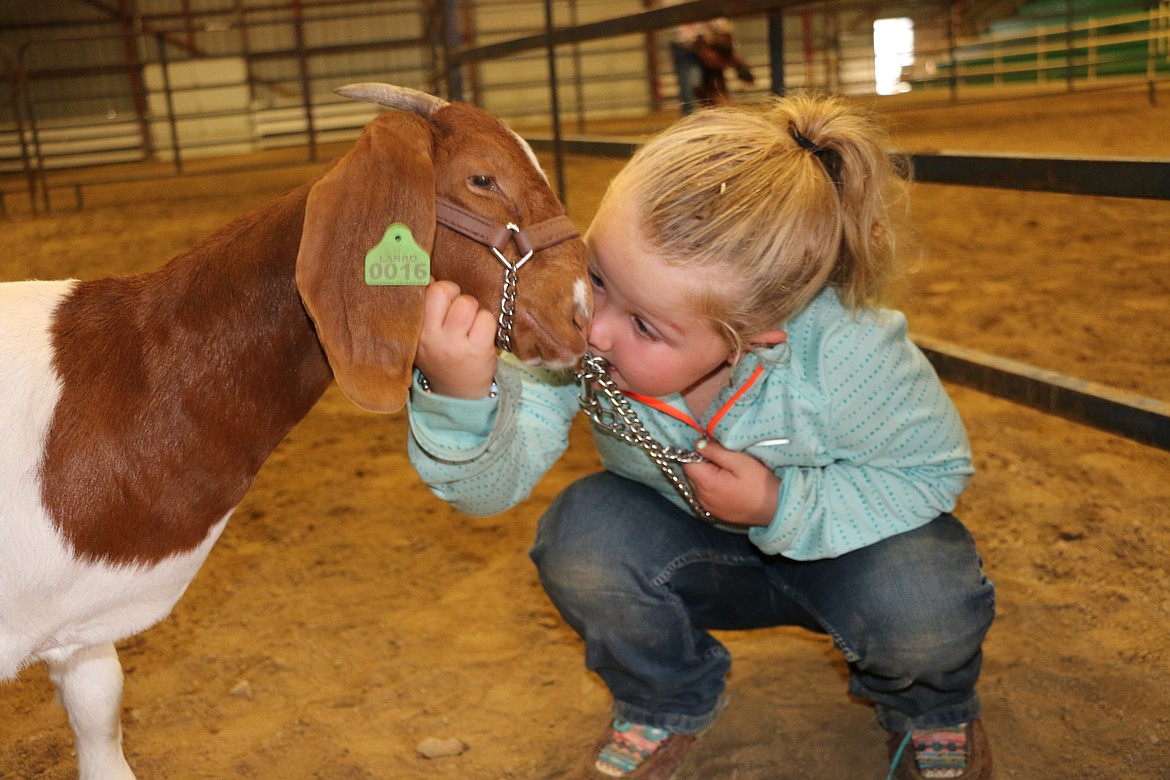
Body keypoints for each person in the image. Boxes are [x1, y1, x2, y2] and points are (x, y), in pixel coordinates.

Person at [406, 92, 995, 780]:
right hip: (689, 547)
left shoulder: (851, 353)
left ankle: (931, 708)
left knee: (925, 609)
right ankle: (665, 697)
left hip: (853, 547)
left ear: (753, 338)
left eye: (648, 327)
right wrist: (460, 393)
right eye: (597, 276)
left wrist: (779, 504)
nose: (596, 328)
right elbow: (488, 490)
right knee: (581, 537)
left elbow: (932, 473)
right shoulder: (577, 345)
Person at [669, 15, 754, 114]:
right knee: (694, 92)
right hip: (691, 45)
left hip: (711, 44)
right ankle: (704, 117)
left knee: (704, 91)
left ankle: (717, 116)